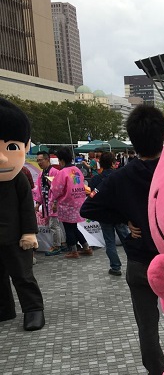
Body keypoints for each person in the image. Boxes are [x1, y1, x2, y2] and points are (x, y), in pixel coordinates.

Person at [80, 105, 164, 375]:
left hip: (140, 262)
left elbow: (88, 208)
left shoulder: (120, 177)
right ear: (163, 134)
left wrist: (125, 219)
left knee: (147, 326)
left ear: (133, 139)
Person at [0, 97, 45, 331]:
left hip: (16, 237)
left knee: (22, 274)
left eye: (11, 147)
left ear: (25, 147)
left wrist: (29, 232)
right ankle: (4, 309)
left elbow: (27, 207)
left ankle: (33, 309)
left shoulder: (18, 179)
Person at [89, 151, 129, 276]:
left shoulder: (96, 179)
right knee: (127, 240)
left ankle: (115, 267)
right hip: (119, 214)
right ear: (113, 163)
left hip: (104, 215)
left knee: (109, 242)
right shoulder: (121, 176)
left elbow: (92, 196)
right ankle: (135, 263)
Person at [49, 147, 93, 259]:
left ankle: (73, 250)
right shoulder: (77, 170)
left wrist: (53, 200)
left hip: (67, 204)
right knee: (74, 227)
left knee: (68, 228)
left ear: (61, 160)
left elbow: (56, 189)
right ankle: (86, 247)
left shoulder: (62, 172)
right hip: (78, 202)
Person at [34, 152, 65, 255]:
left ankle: (57, 246)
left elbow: (58, 190)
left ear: (47, 160)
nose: (39, 162)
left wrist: (55, 202)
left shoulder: (55, 172)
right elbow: (39, 189)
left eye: (40, 160)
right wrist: (38, 203)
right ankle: (62, 243)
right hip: (47, 203)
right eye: (37, 160)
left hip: (54, 204)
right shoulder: (41, 174)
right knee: (56, 225)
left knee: (53, 225)